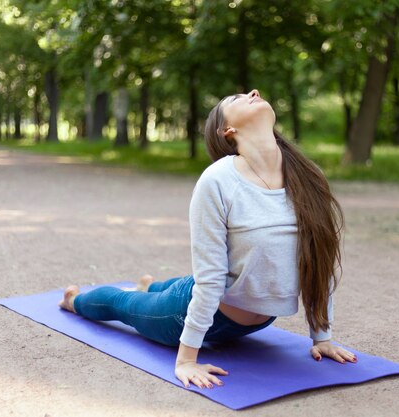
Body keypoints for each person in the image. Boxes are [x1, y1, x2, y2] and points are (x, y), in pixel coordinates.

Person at [59, 89, 356, 390]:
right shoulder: (218, 181)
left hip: (258, 317)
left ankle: (150, 285)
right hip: (191, 310)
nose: (253, 92)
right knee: (123, 304)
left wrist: (323, 338)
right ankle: (74, 301)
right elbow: (211, 278)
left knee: (179, 286)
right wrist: (186, 359)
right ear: (228, 130)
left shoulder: (307, 177)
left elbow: (320, 262)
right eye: (237, 98)